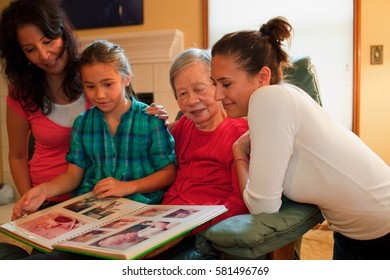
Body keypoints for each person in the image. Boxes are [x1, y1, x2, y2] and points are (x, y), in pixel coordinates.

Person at [210, 16, 390, 260]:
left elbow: (263, 206)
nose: (218, 95)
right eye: (214, 84)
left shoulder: (268, 100)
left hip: (379, 228)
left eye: (226, 84)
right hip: (357, 230)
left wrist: (238, 154)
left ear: (263, 77)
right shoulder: (283, 96)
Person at [8, 39, 176, 260]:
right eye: (90, 86)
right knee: (49, 258)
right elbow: (73, 175)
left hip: (140, 213)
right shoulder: (83, 123)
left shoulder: (151, 119)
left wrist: (127, 187)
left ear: (126, 78)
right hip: (91, 214)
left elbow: (168, 172)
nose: (99, 95)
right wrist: (44, 190)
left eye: (108, 84)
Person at [147, 48, 249, 259]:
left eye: (199, 89)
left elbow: (240, 202)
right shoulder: (185, 125)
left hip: (196, 229)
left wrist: (186, 228)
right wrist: (153, 123)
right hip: (160, 221)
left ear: (217, 86)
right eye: (182, 94)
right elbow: (152, 145)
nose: (192, 100)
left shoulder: (238, 135)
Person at [0, 0, 93, 206]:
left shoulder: (94, 71)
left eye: (48, 41)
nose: (44, 55)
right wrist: (29, 201)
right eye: (30, 49)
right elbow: (16, 156)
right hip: (47, 198)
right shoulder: (21, 92)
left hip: (96, 193)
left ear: (62, 32)